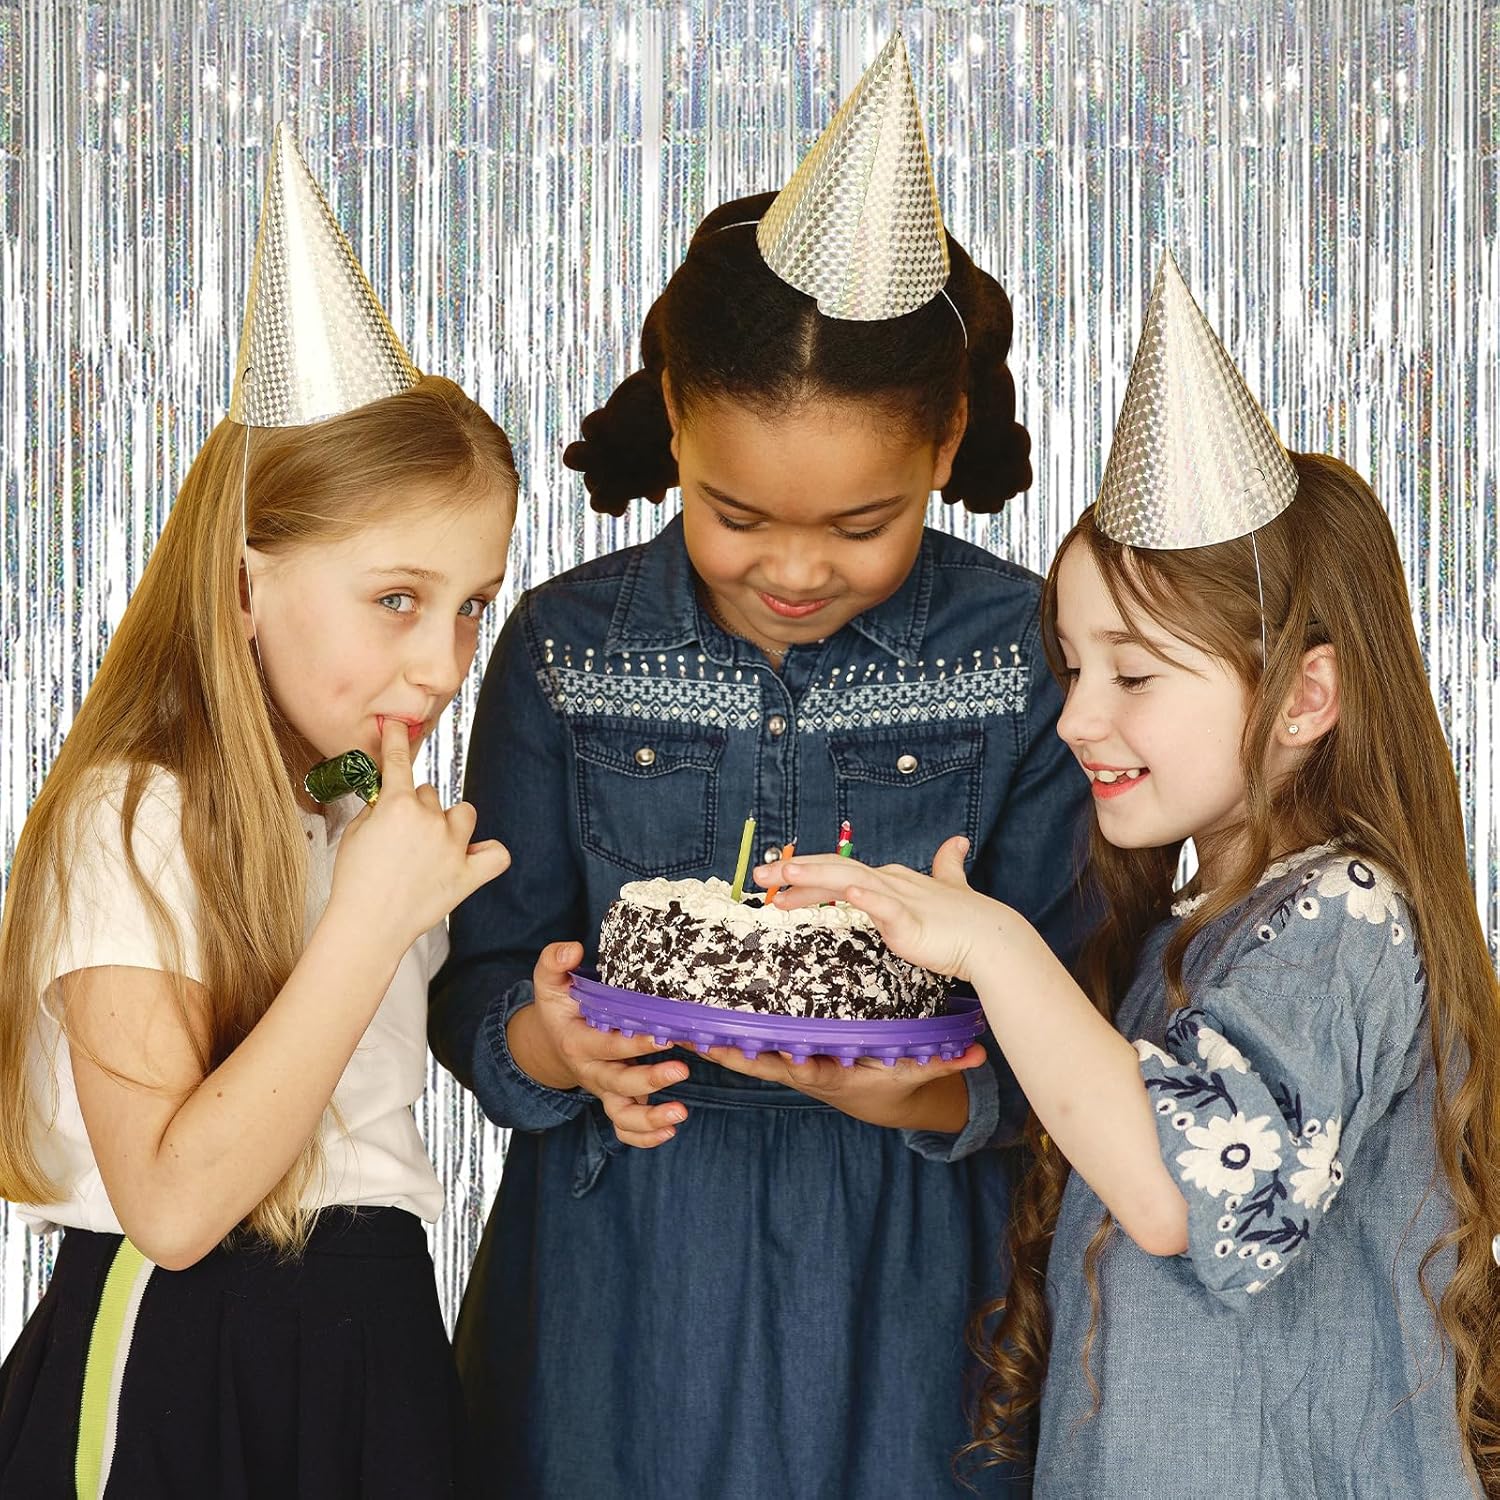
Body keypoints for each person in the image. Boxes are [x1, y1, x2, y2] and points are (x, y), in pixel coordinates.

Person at [430, 36, 1089, 1497]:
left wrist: (923, 1097)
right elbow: (477, 978)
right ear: (674, 420)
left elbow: (1086, 1022)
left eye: (861, 526)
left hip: (916, 1274)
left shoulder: (1026, 654)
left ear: (946, 444)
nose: (793, 571)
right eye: (735, 516)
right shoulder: (564, 647)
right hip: (626, 1265)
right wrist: (544, 1045)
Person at [759, 254, 1495, 1496]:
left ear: (1304, 695)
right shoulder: (1183, 936)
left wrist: (994, 943)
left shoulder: (1346, 920)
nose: (1076, 719)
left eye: (1136, 673)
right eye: (1071, 666)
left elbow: (1181, 1197)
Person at [0, 125, 513, 1498]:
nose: (443, 664)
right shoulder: (134, 817)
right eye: (396, 599)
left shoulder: (355, 819)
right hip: (184, 1352)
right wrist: (369, 925)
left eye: (472, 606)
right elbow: (173, 1209)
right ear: (244, 587)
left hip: (377, 1336)